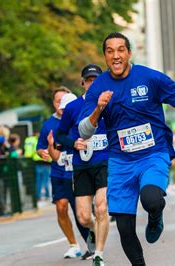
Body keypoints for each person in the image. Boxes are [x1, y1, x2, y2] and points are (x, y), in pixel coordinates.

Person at [78, 32, 175, 266]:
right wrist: (98, 110)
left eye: (120, 49)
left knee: (151, 199)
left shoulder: (149, 78)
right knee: (124, 227)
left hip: (153, 154)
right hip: (120, 162)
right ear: (105, 56)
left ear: (129, 53)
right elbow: (84, 132)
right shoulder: (98, 88)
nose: (116, 55)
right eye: (110, 51)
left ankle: (156, 216)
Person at [55, 64, 108, 265]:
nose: (92, 84)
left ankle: (99, 255)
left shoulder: (111, 104)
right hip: (81, 164)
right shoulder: (72, 108)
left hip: (104, 161)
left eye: (96, 80)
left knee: (102, 208)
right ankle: (94, 231)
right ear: (82, 82)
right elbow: (60, 135)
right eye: (89, 80)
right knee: (84, 217)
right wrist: (73, 143)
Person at [37, 87, 92, 259]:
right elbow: (44, 150)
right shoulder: (49, 125)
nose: (61, 105)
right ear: (54, 104)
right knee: (61, 207)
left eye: (64, 101)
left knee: (81, 211)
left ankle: (92, 242)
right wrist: (46, 150)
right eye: (57, 101)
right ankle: (73, 245)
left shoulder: (80, 118)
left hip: (78, 171)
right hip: (59, 172)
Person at [25, 131, 51, 201]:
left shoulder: (32, 140)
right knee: (45, 180)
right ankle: (47, 195)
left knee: (38, 180)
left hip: (37, 162)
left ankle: (38, 196)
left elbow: (29, 152)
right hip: (46, 162)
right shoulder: (47, 139)